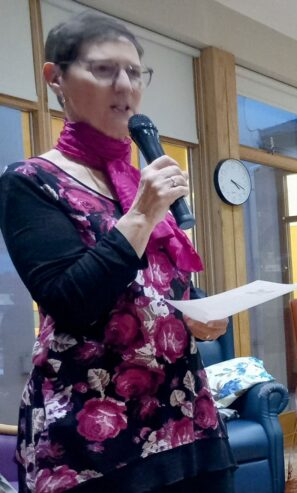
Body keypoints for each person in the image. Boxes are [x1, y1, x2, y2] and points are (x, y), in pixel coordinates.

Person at [0, 12, 236, 492]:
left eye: (134, 73)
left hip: (185, 413)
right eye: (105, 70)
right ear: (56, 79)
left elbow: (153, 286)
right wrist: (144, 211)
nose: (124, 86)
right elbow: (71, 301)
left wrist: (204, 310)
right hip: (94, 433)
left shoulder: (136, 178)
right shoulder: (31, 182)